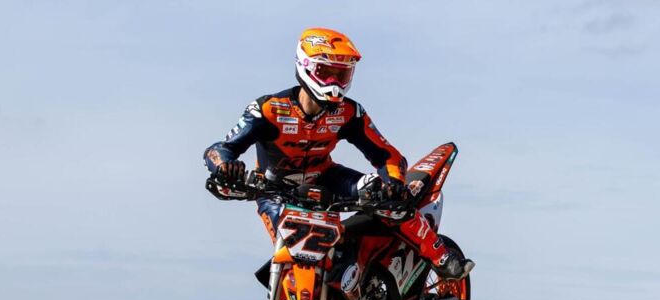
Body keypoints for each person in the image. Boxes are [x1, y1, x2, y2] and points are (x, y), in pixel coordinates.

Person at [203, 27, 474, 279]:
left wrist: (393, 183)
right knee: (292, 256)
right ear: (306, 66)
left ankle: (441, 256)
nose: (334, 83)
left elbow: (387, 154)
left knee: (390, 198)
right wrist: (225, 167)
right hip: (275, 190)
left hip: (327, 178)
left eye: (341, 75)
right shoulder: (268, 109)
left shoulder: (349, 112)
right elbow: (219, 150)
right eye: (326, 72)